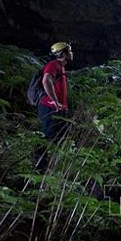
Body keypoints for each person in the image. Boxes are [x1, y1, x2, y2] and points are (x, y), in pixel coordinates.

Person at [34, 42, 74, 170]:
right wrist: (55, 101)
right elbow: (46, 80)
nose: (71, 53)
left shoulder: (60, 67)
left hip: (58, 108)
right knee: (47, 136)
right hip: (49, 107)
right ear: (63, 54)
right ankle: (39, 168)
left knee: (60, 136)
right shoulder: (53, 65)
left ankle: (52, 166)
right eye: (69, 51)